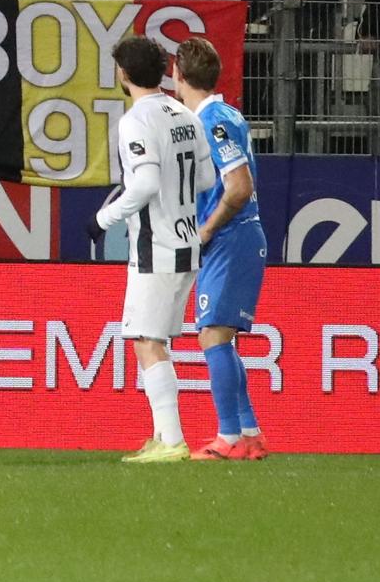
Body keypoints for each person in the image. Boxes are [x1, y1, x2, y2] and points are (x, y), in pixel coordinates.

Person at [92, 33, 212, 465]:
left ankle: (173, 440)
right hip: (187, 240)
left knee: (146, 341)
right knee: (154, 339)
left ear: (123, 74)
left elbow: (142, 183)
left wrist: (104, 219)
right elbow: (205, 180)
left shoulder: (137, 120)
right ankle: (162, 434)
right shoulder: (185, 113)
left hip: (156, 245)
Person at [174, 36, 268, 460]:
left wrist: (206, 230)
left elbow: (239, 187)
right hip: (239, 237)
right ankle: (249, 434)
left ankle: (228, 437)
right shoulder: (225, 113)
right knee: (221, 337)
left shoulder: (212, 120)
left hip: (232, 236)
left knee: (212, 335)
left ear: (177, 74)